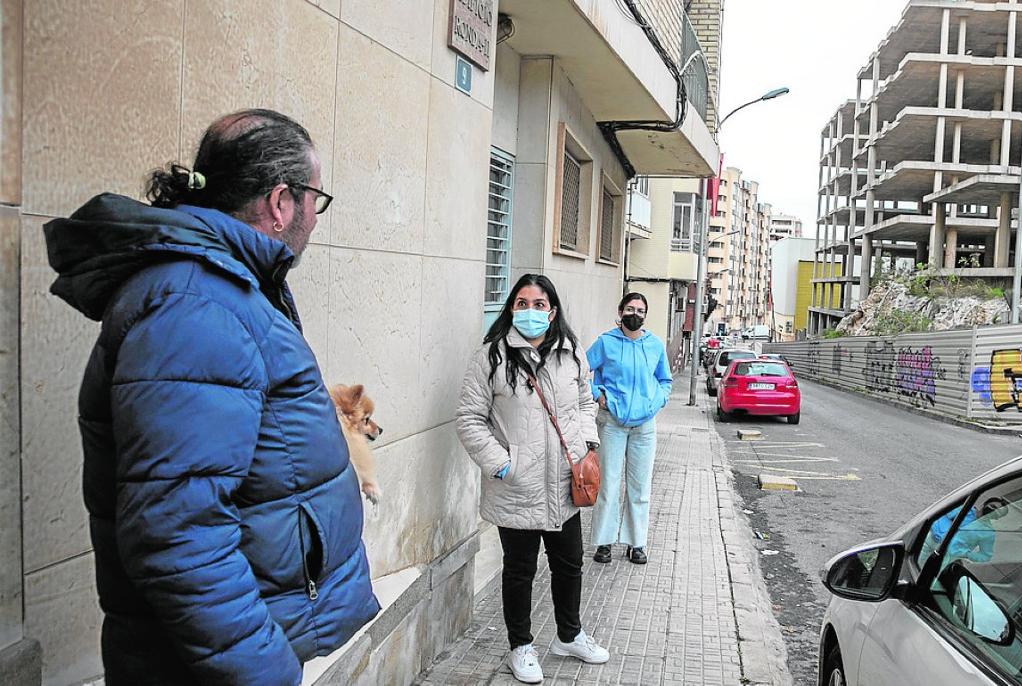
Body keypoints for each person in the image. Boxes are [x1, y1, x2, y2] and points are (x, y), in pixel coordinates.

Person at [42, 109, 379, 685]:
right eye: (314, 201)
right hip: (204, 665)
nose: (314, 221)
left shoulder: (221, 289)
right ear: (281, 202)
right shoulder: (199, 306)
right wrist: (263, 668)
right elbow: (177, 531)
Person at [456, 274, 610, 684]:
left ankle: (569, 635)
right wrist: (503, 464)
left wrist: (586, 446)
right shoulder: (491, 357)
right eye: (521, 303)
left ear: (552, 311)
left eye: (539, 304)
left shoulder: (571, 352)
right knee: (519, 569)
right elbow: (469, 419)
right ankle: (520, 647)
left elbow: (583, 402)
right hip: (516, 486)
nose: (530, 311)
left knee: (570, 564)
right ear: (511, 309)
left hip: (564, 483)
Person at [586, 293, 673, 565]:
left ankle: (637, 543)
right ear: (620, 311)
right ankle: (604, 543)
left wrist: (656, 402)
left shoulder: (655, 345)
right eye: (630, 308)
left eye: (640, 310)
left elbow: (665, 381)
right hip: (612, 423)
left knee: (639, 487)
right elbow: (578, 372)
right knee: (608, 486)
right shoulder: (606, 342)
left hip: (644, 427)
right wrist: (598, 395)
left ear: (646, 315)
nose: (635, 313)